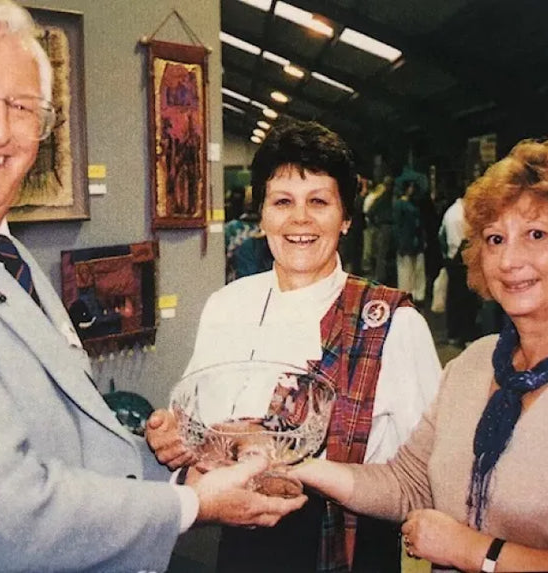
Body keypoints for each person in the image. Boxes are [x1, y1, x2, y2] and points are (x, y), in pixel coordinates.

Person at [0, 2, 306, 571]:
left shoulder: (6, 253)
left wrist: (167, 461)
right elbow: (3, 517)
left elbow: (57, 439)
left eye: (20, 106)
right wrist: (189, 504)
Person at [147, 119, 441, 573]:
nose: (299, 219)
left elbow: (427, 480)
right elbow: (194, 425)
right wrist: (171, 438)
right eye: (282, 202)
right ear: (261, 216)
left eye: (319, 202)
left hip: (347, 551)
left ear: (345, 219)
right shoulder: (228, 304)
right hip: (238, 545)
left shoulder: (393, 325)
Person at [290, 138, 548, 573]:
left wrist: (472, 551)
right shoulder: (472, 365)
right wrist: (294, 463)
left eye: (536, 234)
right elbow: (407, 482)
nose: (510, 259)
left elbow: (464, 544)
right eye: (495, 238)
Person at [438, 190, 479, 347]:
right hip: (460, 261)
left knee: (454, 299)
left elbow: (441, 235)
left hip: (452, 259)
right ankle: (464, 334)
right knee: (464, 300)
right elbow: (464, 239)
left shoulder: (451, 212)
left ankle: (454, 332)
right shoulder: (459, 216)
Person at [394, 179, 426, 305]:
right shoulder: (405, 205)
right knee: (410, 269)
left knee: (411, 269)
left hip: (410, 240)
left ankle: (412, 293)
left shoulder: (404, 205)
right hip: (409, 240)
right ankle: (412, 293)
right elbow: (398, 226)